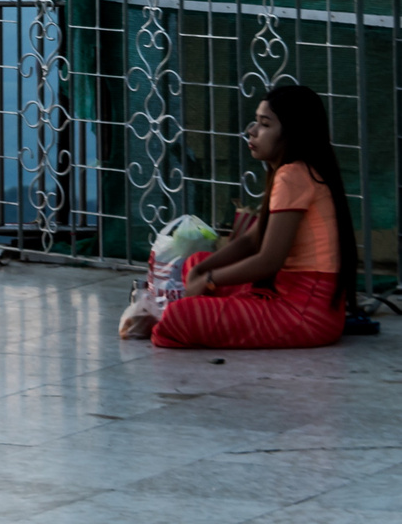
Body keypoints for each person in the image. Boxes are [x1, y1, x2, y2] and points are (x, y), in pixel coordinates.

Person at [153, 84, 358, 349]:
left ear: (291, 133)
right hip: (286, 293)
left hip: (305, 314)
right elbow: (252, 241)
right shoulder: (293, 172)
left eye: (264, 125)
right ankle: (218, 307)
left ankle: (205, 311)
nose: (251, 131)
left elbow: (269, 261)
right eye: (255, 122)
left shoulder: (293, 176)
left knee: (177, 317)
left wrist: (210, 280)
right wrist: (204, 271)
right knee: (194, 263)